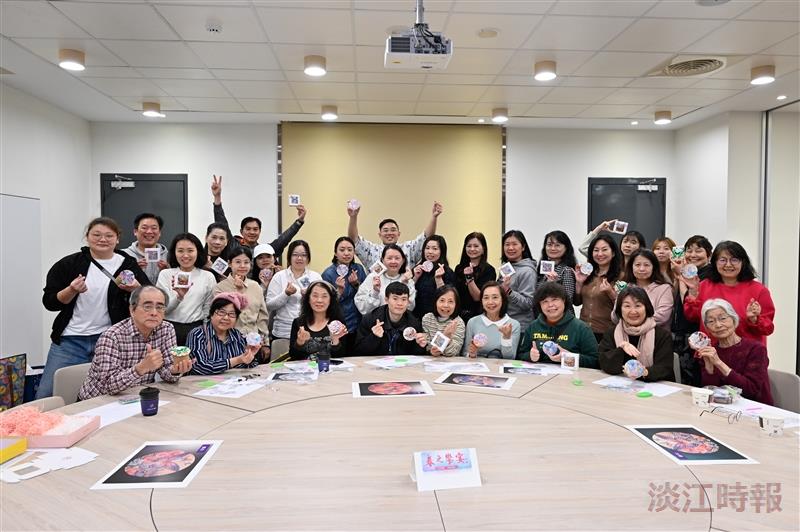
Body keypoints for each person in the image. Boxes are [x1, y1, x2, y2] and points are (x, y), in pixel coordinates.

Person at [38, 217, 149, 399]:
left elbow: (149, 297)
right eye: (96, 235)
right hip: (70, 340)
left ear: (117, 239)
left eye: (109, 235)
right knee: (48, 393)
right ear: (87, 237)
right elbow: (49, 302)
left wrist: (136, 288)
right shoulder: (70, 264)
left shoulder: (127, 264)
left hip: (110, 341)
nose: (103, 239)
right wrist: (71, 290)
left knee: (112, 394)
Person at [78, 286, 193, 400]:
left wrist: (175, 371)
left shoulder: (166, 329)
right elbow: (108, 386)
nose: (154, 313)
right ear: (132, 310)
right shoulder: (112, 337)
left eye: (159, 307)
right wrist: (141, 368)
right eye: (147, 307)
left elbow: (167, 373)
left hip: (137, 398)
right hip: (96, 401)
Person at [683, 241, 775, 345]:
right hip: (711, 350)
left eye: (734, 260)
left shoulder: (758, 290)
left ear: (743, 262)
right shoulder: (704, 285)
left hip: (747, 352)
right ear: (715, 262)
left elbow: (768, 329)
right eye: (722, 260)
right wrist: (692, 294)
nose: (728, 264)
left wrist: (754, 319)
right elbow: (692, 317)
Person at [211, 174, 306, 260]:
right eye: (248, 229)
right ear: (241, 232)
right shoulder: (233, 245)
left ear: (260, 231)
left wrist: (299, 221)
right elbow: (222, 224)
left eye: (255, 229)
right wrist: (217, 198)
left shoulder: (265, 250)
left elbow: (283, 239)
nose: (252, 232)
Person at [697, 299, 773, 405]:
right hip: (721, 408)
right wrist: (709, 367)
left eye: (723, 318)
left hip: (754, 408)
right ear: (707, 328)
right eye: (711, 321)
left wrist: (719, 363)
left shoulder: (756, 349)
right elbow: (709, 392)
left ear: (734, 319)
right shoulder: (710, 352)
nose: (718, 325)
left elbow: (751, 390)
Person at [598, 286, 675, 382]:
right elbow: (604, 364)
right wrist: (621, 349)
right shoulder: (611, 333)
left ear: (646, 308)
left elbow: (665, 368)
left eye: (638, 305)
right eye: (627, 306)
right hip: (620, 385)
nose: (633, 311)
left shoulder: (662, 335)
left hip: (654, 386)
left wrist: (643, 372)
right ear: (620, 309)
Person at [518, 282, 598, 368]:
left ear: (564, 300)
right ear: (539, 305)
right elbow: (521, 354)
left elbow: (595, 361)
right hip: (540, 373)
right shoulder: (533, 327)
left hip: (570, 375)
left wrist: (568, 357)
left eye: (554, 299)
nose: (550, 305)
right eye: (545, 301)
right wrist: (530, 356)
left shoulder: (581, 328)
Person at [156, 233, 216, 345]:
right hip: (168, 328)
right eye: (180, 251)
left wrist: (206, 332)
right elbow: (162, 309)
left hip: (197, 329)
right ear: (174, 252)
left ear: (198, 252)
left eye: (190, 250)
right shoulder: (165, 274)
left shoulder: (208, 276)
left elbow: (208, 309)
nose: (185, 255)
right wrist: (179, 297)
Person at [347, 200, 443, 268]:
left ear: (399, 234)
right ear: (379, 235)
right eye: (385, 230)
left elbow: (426, 237)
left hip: (405, 290)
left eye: (393, 230)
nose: (389, 233)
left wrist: (434, 217)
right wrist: (353, 217)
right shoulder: (371, 250)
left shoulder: (409, 248)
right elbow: (354, 241)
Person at [671, 235, 714, 386]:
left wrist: (682, 274)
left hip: (696, 331)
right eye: (689, 250)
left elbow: (690, 302)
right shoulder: (690, 272)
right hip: (681, 330)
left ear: (709, 254)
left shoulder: (709, 275)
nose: (693, 255)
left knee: (693, 376)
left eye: (698, 250)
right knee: (681, 374)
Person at [214, 246, 271, 360]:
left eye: (246, 262)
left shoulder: (255, 286)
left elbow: (262, 317)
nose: (242, 266)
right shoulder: (220, 288)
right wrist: (238, 291)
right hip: (229, 343)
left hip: (254, 343)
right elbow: (221, 316)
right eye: (238, 262)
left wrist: (265, 343)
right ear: (229, 263)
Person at [187, 292, 261, 375]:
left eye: (231, 314)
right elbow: (199, 367)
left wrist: (249, 356)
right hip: (202, 382)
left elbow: (248, 366)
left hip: (232, 381)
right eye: (221, 312)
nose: (226, 317)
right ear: (211, 314)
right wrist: (237, 360)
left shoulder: (237, 335)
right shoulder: (198, 334)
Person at [265, 240, 322, 340]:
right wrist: (286, 294)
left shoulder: (315, 277)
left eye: (303, 255)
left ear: (308, 258)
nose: (299, 258)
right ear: (289, 257)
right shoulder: (279, 276)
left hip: (309, 331)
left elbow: (323, 304)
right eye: (295, 255)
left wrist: (309, 297)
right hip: (283, 332)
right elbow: (269, 305)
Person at [354, 282, 427, 356]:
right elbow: (358, 352)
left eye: (404, 299)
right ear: (386, 300)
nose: (400, 303)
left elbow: (416, 355)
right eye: (395, 299)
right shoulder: (371, 319)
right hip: (377, 362)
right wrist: (374, 337)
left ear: (408, 302)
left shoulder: (414, 322)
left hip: (402, 362)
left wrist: (420, 345)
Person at [574, 234, 622, 343]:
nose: (600, 254)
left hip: (606, 333)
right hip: (583, 330)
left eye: (604, 250)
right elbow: (577, 302)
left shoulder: (620, 276)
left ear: (613, 253)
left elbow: (622, 308)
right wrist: (579, 283)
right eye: (596, 250)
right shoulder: (588, 274)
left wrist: (611, 292)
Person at [321, 237, 367, 352]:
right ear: (335, 253)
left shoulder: (358, 269)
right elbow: (325, 304)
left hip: (358, 323)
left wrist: (356, 284)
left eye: (350, 250)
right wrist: (339, 291)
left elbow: (366, 294)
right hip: (338, 323)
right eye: (342, 250)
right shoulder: (328, 274)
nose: (346, 253)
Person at [289, 281, 348, 360]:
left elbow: (343, 357)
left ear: (331, 300)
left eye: (324, 296)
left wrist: (335, 340)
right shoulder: (298, 323)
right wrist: (300, 342)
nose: (319, 300)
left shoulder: (338, 323)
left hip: (330, 367)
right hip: (306, 367)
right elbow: (293, 357)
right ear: (308, 299)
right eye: (315, 296)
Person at [616, 249, 674, 330]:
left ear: (654, 267)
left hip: (656, 335)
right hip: (625, 334)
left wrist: (633, 321)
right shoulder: (625, 287)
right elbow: (615, 316)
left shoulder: (664, 288)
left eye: (646, 265)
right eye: (637, 265)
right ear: (631, 267)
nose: (642, 269)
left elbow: (662, 317)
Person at [463, 282, 521, 359]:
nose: (490, 302)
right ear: (482, 301)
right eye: (486, 298)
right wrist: (472, 354)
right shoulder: (473, 322)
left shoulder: (513, 324)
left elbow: (510, 358)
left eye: (495, 297)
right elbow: (465, 353)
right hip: (477, 365)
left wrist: (506, 338)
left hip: (500, 366)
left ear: (503, 299)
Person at [354, 244, 416, 315]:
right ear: (382, 260)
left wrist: (405, 284)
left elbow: (410, 307)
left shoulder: (407, 279)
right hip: (375, 319)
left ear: (403, 260)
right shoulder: (373, 277)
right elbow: (362, 307)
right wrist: (375, 292)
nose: (393, 261)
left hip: (400, 320)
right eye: (389, 258)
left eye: (397, 258)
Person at [498, 230, 537, 331]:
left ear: (523, 247)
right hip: (503, 323)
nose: (510, 248)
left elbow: (528, 303)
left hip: (521, 327)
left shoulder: (528, 271)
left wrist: (508, 291)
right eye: (507, 244)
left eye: (514, 244)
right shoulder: (505, 267)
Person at [453, 232, 496, 322]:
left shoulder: (489, 270)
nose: (472, 249)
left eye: (476, 246)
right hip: (459, 316)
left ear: (483, 249)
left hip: (478, 317)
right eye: (469, 246)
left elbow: (478, 297)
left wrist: (469, 278)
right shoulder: (459, 268)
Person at [412, 235, 455, 319]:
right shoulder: (417, 269)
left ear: (441, 251)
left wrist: (439, 280)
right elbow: (408, 293)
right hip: (416, 316)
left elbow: (448, 298)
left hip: (437, 318)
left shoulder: (447, 272)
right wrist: (415, 278)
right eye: (427, 248)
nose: (430, 252)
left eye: (435, 249)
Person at [123, 213, 169, 284]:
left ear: (159, 232)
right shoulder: (123, 255)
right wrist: (133, 270)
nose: (149, 232)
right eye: (144, 228)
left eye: (154, 228)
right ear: (135, 232)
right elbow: (116, 283)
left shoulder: (170, 256)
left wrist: (168, 271)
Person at [536, 230, 577, 309]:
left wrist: (553, 286)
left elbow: (568, 300)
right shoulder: (542, 267)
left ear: (566, 248)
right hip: (542, 313)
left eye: (557, 245)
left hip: (559, 314)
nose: (553, 248)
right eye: (549, 245)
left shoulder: (566, 270)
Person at [421, 286, 465, 357]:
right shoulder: (427, 318)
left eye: (450, 301)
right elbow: (427, 347)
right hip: (431, 360)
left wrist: (448, 336)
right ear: (436, 302)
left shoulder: (458, 322)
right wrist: (432, 350)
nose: (446, 305)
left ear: (456, 304)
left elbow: (454, 352)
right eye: (442, 300)